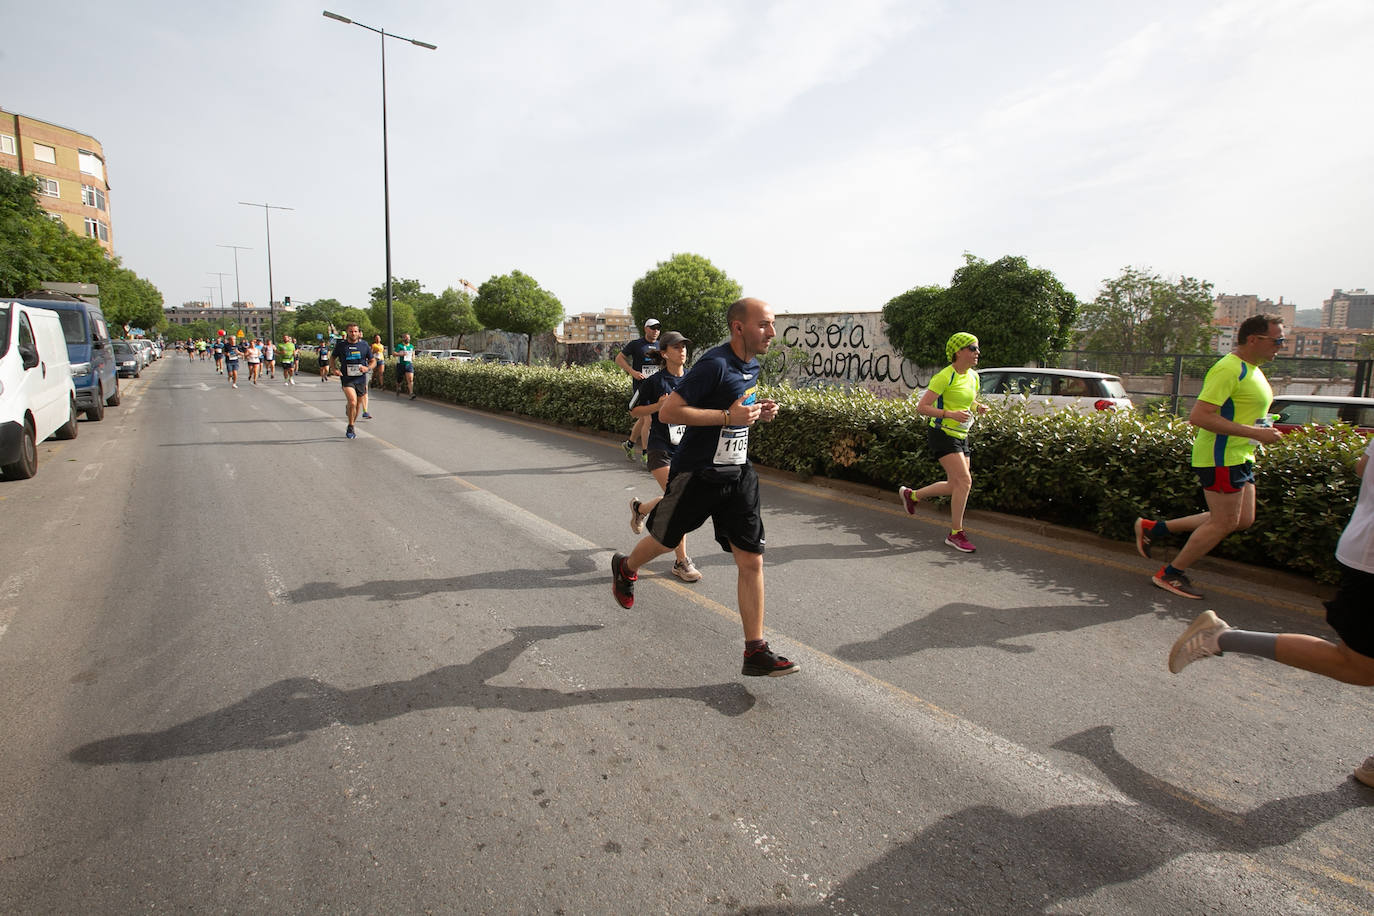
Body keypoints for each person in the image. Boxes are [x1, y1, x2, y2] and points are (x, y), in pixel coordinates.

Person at [1168, 433, 1374, 786]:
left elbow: (1362, 467)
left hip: (1363, 547)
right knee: (1358, 666)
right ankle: (1218, 634)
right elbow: (1202, 415)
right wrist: (1255, 433)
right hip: (1369, 561)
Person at [610, 298, 796, 677]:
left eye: (772, 324)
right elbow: (669, 412)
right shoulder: (715, 363)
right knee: (665, 540)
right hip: (698, 473)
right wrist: (728, 416)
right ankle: (626, 568)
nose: (772, 332)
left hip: (738, 472)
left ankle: (755, 650)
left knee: (751, 559)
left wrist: (756, 411)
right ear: (738, 327)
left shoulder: (752, 365)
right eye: (764, 324)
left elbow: (737, 408)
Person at [1134, 314, 1286, 599]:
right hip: (1221, 456)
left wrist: (1262, 428)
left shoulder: (1252, 369)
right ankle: (1171, 573)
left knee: (1242, 519)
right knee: (1224, 521)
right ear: (1253, 339)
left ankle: (1155, 529)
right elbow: (1200, 416)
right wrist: (1255, 432)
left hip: (1241, 454)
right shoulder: (1228, 369)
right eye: (1277, 340)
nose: (1281, 346)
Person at [897, 332, 989, 553]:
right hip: (942, 434)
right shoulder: (944, 376)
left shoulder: (973, 377)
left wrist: (978, 407)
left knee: (955, 485)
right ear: (959, 351)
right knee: (965, 482)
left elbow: (968, 401)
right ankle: (956, 533)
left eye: (977, 348)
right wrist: (949, 414)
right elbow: (922, 407)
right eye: (973, 348)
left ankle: (912, 495)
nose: (977, 352)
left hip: (961, 435)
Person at [625, 330, 701, 582]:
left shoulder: (693, 379)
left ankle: (640, 509)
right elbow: (633, 410)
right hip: (660, 449)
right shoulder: (655, 381)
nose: (682, 351)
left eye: (684, 346)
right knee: (679, 501)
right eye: (677, 347)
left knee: (678, 499)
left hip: (686, 451)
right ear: (665, 353)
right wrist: (658, 406)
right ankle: (681, 562)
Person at [616, 318, 662, 465]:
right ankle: (646, 454)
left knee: (643, 419)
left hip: (656, 388)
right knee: (649, 420)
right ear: (645, 329)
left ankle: (629, 444)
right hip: (641, 388)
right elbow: (619, 359)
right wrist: (632, 372)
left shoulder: (660, 345)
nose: (655, 331)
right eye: (652, 328)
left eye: (658, 328)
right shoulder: (636, 344)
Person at [330, 324, 376, 439]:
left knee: (357, 405)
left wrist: (367, 368)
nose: (353, 333)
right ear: (347, 332)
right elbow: (332, 358)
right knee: (352, 401)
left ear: (358, 332)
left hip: (360, 379)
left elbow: (373, 361)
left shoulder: (364, 345)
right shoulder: (341, 345)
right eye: (351, 331)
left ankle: (352, 421)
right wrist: (334, 369)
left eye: (355, 331)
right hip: (347, 378)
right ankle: (350, 426)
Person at [394, 333, 417, 399]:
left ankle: (411, 393)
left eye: (408, 337)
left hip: (409, 364)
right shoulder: (400, 346)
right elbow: (394, 353)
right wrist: (400, 354)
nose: (408, 339)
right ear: (403, 338)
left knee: (410, 380)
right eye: (406, 338)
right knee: (399, 379)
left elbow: (413, 353)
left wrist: (413, 357)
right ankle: (398, 387)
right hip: (401, 364)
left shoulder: (411, 346)